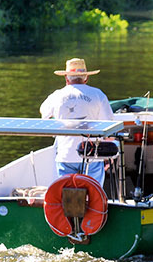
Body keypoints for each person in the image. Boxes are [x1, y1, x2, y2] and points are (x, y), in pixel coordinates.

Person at [40, 58, 112, 186]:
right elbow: (108, 125)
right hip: (91, 154)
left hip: (65, 155)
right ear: (86, 78)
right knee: (93, 192)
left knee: (66, 194)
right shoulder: (98, 95)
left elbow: (44, 116)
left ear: (66, 78)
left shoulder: (56, 95)